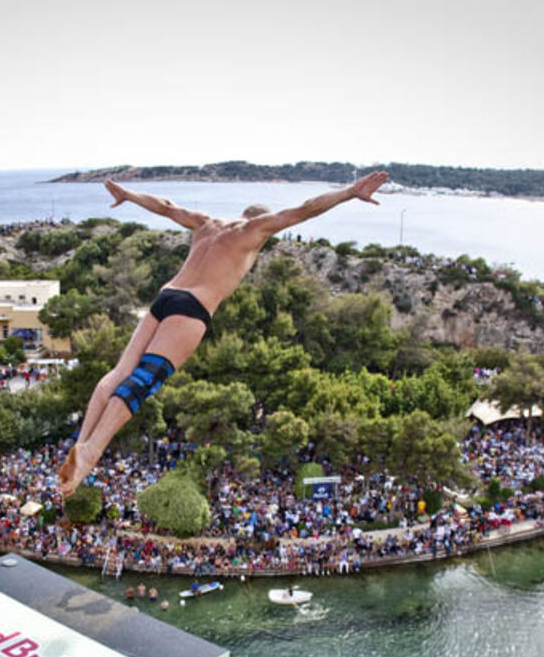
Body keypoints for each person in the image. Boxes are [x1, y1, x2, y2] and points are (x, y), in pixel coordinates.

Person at [58, 171, 389, 496]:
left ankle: (83, 441)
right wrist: (349, 193)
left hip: (165, 296)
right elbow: (304, 209)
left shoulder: (206, 224)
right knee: (145, 379)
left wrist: (129, 195)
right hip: (191, 308)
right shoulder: (255, 229)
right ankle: (90, 453)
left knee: (119, 372)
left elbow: (166, 206)